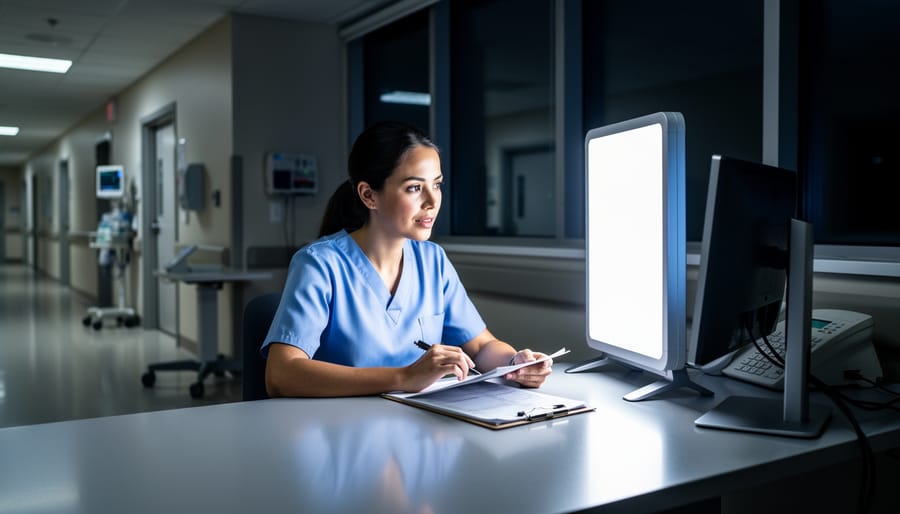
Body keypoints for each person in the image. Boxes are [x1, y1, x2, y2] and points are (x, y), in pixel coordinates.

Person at [262, 121, 552, 397]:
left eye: (436, 184)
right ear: (368, 196)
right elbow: (281, 374)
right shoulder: (319, 264)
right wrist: (404, 377)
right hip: (342, 432)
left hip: (418, 428)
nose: (432, 201)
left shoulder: (433, 261)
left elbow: (482, 346)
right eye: (415, 188)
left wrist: (516, 362)